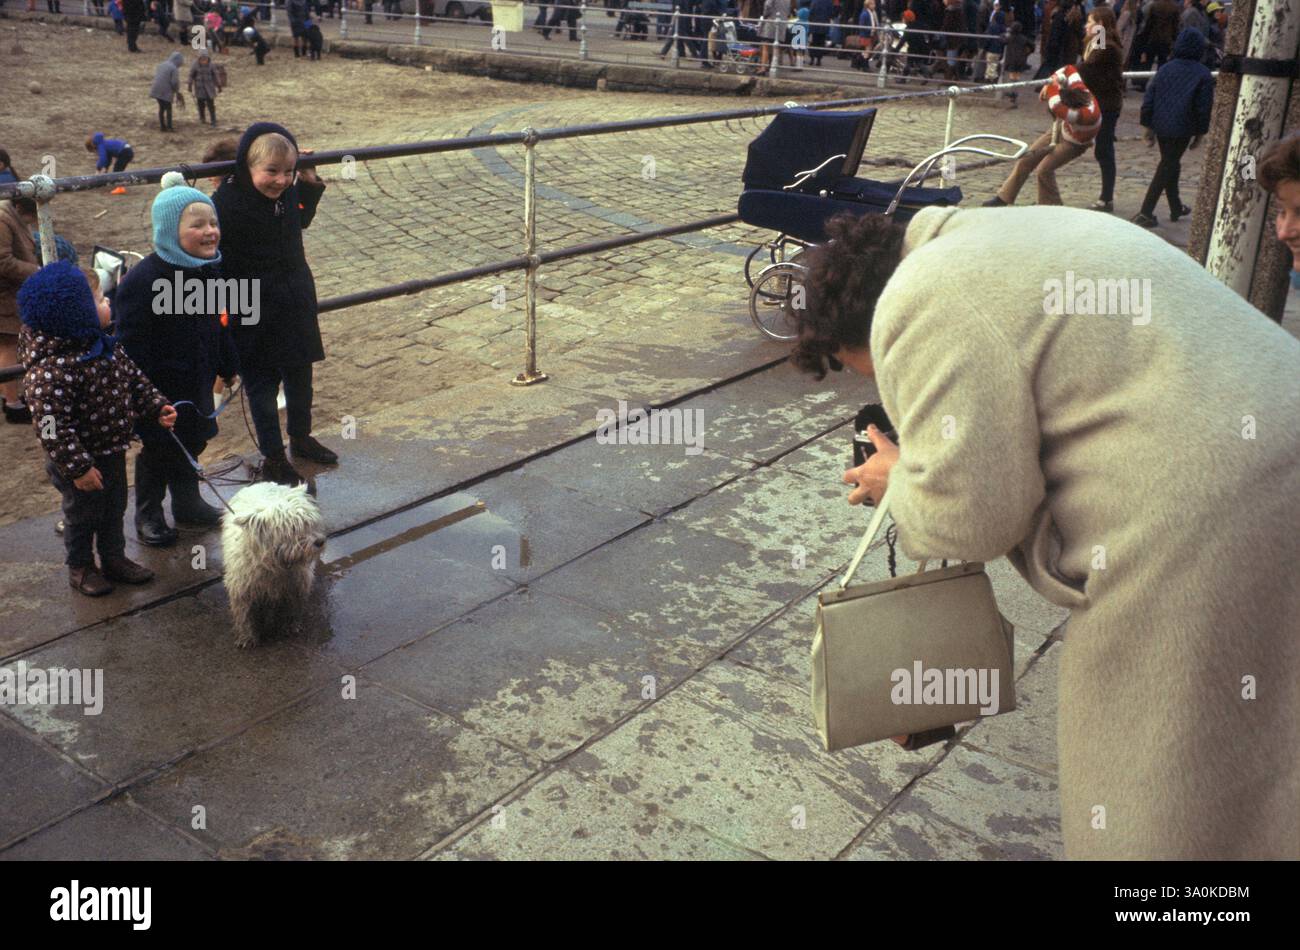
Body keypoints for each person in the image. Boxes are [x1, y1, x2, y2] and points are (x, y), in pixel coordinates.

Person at [787, 205, 1300, 861]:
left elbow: (970, 518)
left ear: (847, 333)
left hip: (1205, 523)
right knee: (1265, 743)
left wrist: (900, 482)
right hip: (1273, 464)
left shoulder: (922, 293)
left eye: (867, 368)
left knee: (1160, 790)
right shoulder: (1014, 231)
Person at [17, 261, 178, 596]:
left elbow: (134, 380)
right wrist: (77, 467)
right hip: (78, 463)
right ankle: (80, 566)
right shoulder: (49, 372)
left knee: (114, 506)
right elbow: (50, 428)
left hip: (111, 450)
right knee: (82, 515)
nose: (108, 304)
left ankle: (114, 558)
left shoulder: (105, 345)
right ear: (74, 314)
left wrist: (155, 405)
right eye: (100, 299)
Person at [116, 176, 239, 545]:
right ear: (171, 230)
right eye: (197, 225)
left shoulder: (210, 270)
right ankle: (149, 511)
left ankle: (187, 503)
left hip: (196, 378)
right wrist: (145, 396)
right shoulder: (143, 280)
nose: (210, 232)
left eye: (213, 223)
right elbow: (129, 345)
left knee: (194, 439)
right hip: (159, 386)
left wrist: (227, 362)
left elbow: (219, 323)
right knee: (159, 448)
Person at [212, 123, 334, 487]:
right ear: (246, 168)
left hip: (293, 295)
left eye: (288, 172)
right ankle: (274, 455)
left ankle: (301, 436)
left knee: (300, 373)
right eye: (271, 172)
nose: (281, 180)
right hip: (250, 302)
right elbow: (216, 261)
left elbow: (303, 219)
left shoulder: (288, 193)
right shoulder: (227, 203)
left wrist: (309, 182)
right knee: (262, 384)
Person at [984, 63, 1100, 206]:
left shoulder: (1084, 115)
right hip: (1062, 128)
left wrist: (1051, 87)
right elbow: (1068, 68)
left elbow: (1056, 106)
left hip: (1074, 143)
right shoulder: (1079, 88)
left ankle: (1052, 206)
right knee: (1026, 159)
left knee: (1044, 170)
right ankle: (1003, 197)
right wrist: (1051, 81)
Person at [1131, 26, 1213, 228]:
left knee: (1170, 164)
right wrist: (1200, 132)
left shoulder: (1165, 69)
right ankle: (1145, 211)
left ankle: (1175, 206)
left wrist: (1148, 125)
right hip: (1184, 127)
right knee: (1168, 165)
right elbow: (1203, 107)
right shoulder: (1203, 74)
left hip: (1162, 125)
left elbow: (1149, 98)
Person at [1077, 3, 1123, 211]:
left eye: (1090, 21)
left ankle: (1107, 199)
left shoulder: (1105, 44)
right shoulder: (1099, 42)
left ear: (1101, 24)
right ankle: (1107, 198)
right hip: (1101, 102)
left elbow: (1089, 67)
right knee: (1102, 150)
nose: (1086, 25)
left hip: (1107, 105)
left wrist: (1068, 71)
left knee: (1104, 150)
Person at [1, 194, 40, 424]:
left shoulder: (8, 215)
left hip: (10, 291)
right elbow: (3, 261)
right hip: (5, 294)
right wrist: (35, 270)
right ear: (19, 207)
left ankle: (8, 394)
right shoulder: (3, 220)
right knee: (8, 344)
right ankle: (13, 404)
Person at [151, 51, 186, 133]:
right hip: (165, 91)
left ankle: (162, 126)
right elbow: (174, 82)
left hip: (156, 89)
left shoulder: (161, 64)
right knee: (168, 109)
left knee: (161, 108)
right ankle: (170, 127)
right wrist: (177, 91)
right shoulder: (174, 68)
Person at [188, 51, 223, 127]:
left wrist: (219, 85)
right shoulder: (195, 65)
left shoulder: (211, 65)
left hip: (209, 88)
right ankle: (202, 118)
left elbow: (216, 75)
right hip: (199, 88)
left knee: (211, 105)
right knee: (200, 104)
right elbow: (191, 75)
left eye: (205, 59)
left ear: (208, 58)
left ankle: (213, 120)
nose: (204, 61)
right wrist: (190, 85)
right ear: (199, 58)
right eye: (202, 59)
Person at [1002, 18, 1033, 103]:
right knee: (1017, 78)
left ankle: (1012, 93)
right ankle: (1014, 93)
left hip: (1011, 60)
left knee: (1012, 77)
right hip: (1020, 60)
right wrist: (1027, 53)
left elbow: (1003, 41)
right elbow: (1032, 46)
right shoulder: (1023, 38)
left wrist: (1002, 35)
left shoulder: (1010, 38)